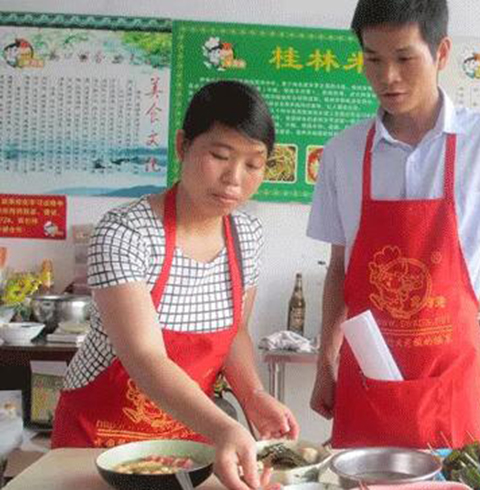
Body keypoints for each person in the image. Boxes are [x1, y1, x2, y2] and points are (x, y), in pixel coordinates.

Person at [307, 0, 480, 448]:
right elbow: (340, 267)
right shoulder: (342, 152)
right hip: (368, 377)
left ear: (440, 53)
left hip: (451, 376)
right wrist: (326, 361)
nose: (387, 77)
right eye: (373, 60)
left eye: (404, 58)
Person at [52, 80, 299, 490]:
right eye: (220, 155)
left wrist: (254, 396)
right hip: (99, 441)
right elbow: (145, 357)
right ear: (183, 145)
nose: (234, 179)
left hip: (189, 441)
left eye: (254, 164)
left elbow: (235, 333)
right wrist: (224, 427)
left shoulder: (246, 237)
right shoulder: (125, 232)